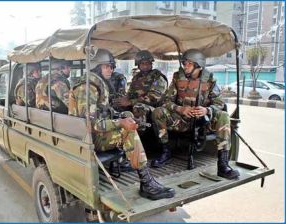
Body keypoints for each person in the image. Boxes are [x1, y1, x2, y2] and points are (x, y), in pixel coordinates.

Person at [69, 48, 175, 200]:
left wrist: (123, 117)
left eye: (112, 66)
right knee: (127, 132)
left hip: (93, 134)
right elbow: (91, 124)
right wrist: (121, 123)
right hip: (87, 138)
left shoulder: (95, 83)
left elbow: (103, 113)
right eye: (107, 66)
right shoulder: (88, 88)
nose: (111, 69)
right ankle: (147, 183)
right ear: (97, 67)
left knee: (128, 116)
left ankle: (130, 162)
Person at [151, 49, 240, 179]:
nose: (185, 66)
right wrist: (180, 109)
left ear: (198, 65)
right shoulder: (177, 77)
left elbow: (219, 102)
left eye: (188, 63)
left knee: (224, 115)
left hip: (203, 121)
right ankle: (166, 151)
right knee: (158, 112)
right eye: (184, 63)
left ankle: (223, 164)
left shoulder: (209, 79)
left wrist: (207, 110)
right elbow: (166, 100)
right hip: (182, 120)